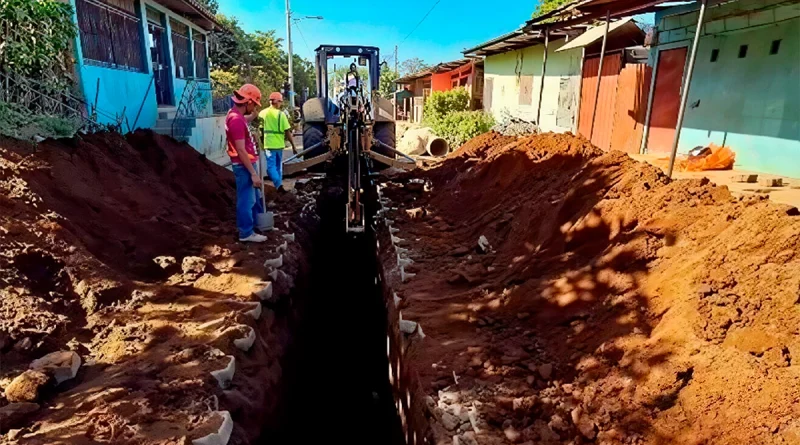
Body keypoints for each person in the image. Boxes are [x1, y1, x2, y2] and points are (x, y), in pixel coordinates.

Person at [226, 84, 267, 243]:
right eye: (254, 104)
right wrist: (253, 173)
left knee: (255, 197)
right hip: (244, 166)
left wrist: (253, 116)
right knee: (246, 199)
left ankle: (258, 225)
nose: (254, 108)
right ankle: (246, 233)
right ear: (248, 102)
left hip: (247, 164)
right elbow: (241, 150)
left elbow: (245, 119)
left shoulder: (235, 115)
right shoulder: (236, 120)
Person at [258, 92, 297, 192]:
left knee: (271, 167)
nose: (281, 104)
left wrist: (261, 143)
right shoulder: (281, 115)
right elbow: (287, 132)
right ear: (277, 102)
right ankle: (279, 186)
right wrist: (293, 146)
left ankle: (278, 188)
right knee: (276, 167)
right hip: (279, 144)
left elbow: (260, 130)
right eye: (280, 102)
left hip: (268, 144)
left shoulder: (262, 113)